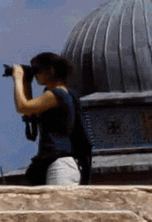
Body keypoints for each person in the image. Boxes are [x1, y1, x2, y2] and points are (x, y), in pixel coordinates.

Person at [10, 51, 92, 186]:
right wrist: (26, 82)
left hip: (60, 164)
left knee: (59, 205)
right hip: (57, 161)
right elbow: (31, 111)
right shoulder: (63, 93)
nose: (36, 75)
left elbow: (23, 107)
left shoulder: (57, 94)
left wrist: (18, 78)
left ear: (51, 70)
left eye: (37, 70)